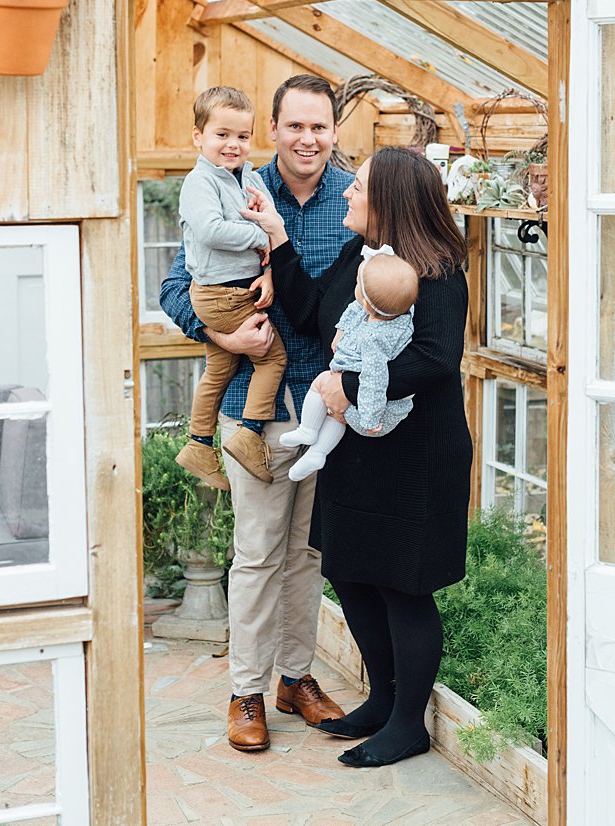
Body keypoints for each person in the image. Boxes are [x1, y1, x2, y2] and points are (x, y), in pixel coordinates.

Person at [244, 146, 471, 768]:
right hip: (356, 451)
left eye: (360, 187)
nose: (347, 192)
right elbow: (314, 314)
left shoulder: (440, 270)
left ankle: (407, 724)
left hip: (415, 458)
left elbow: (435, 358)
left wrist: (347, 387)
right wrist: (280, 240)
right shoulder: (360, 256)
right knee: (350, 573)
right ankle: (381, 699)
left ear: (391, 201)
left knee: (403, 586)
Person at [160, 74, 352, 752]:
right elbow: (176, 284)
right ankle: (246, 689)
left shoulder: (353, 199)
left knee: (308, 554)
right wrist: (219, 335)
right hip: (255, 405)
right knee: (257, 553)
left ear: (335, 131)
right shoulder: (234, 181)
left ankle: (295, 680)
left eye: (319, 127)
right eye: (294, 126)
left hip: (327, 407)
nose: (307, 139)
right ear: (275, 129)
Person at [174, 86, 286, 491]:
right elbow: (211, 230)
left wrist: (269, 263)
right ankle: (249, 434)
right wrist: (261, 236)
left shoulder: (250, 178)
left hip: (235, 289)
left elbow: (271, 225)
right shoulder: (199, 183)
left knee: (218, 370)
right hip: (221, 294)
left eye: (242, 135)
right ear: (198, 136)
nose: (233, 144)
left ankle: (199, 443)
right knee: (271, 358)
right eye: (222, 134)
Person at [279, 248, 419, 482]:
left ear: (368, 304)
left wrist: (370, 418)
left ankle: (308, 430)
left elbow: (375, 379)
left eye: (357, 283)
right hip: (369, 407)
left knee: (322, 382)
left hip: (376, 415)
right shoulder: (402, 313)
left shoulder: (373, 339)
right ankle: (317, 453)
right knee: (335, 416)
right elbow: (355, 308)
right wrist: (341, 330)